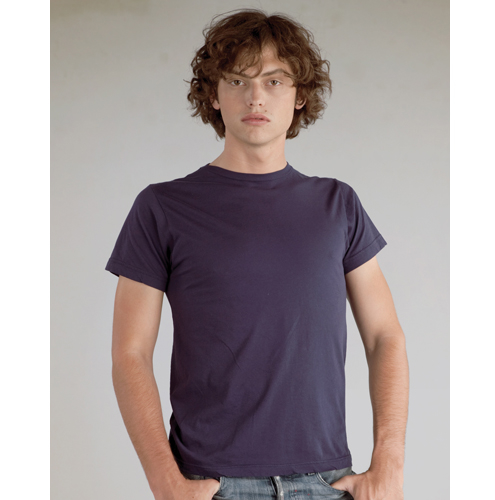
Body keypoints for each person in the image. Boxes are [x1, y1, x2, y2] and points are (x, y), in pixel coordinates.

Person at [105, 9, 409, 500]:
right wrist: (166, 482)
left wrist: (389, 464)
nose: (256, 97)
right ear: (213, 94)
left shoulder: (338, 204)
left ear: (299, 94)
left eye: (274, 80)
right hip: (211, 484)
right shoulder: (162, 207)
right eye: (237, 80)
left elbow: (384, 336)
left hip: (326, 482)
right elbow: (130, 353)